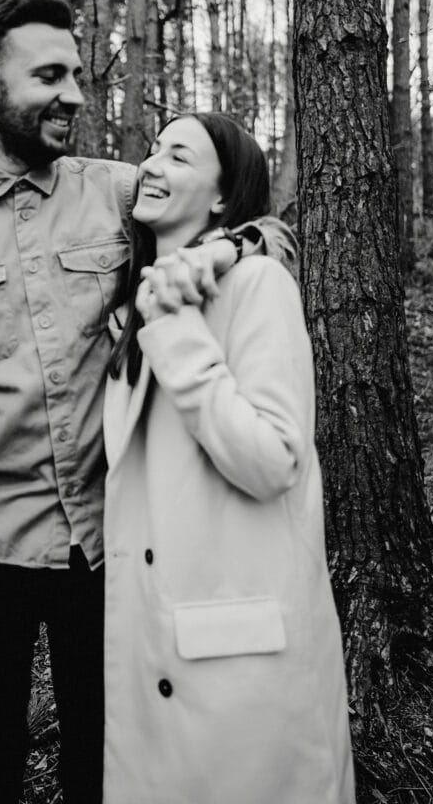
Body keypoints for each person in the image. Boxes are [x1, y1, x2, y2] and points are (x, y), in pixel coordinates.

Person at [0, 0, 273, 804]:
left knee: (111, 771)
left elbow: (236, 208)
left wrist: (242, 247)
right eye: (49, 75)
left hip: (109, 551)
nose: (74, 93)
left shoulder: (119, 193)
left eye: (77, 73)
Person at [103, 112, 355, 804]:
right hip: (152, 647)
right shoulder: (138, 307)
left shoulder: (256, 288)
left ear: (221, 196)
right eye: (150, 151)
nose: (150, 166)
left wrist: (179, 337)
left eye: (177, 157)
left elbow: (274, 459)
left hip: (240, 664)